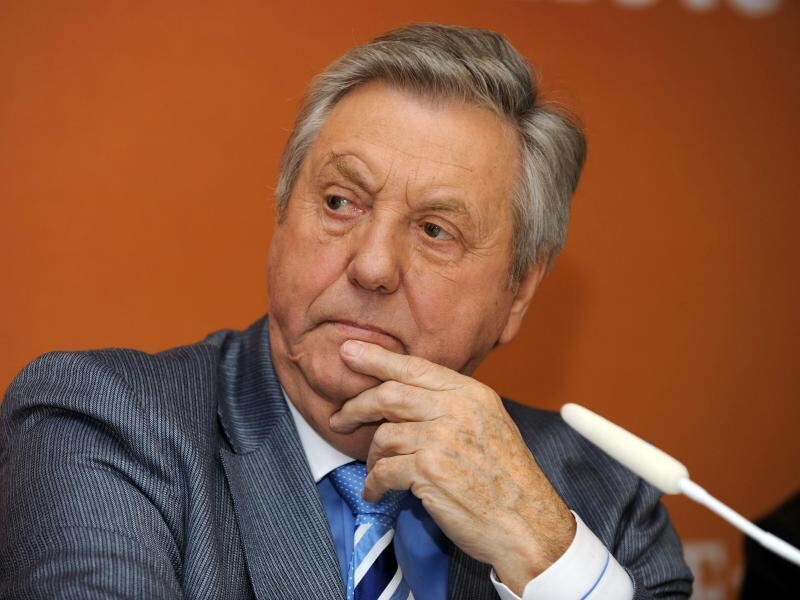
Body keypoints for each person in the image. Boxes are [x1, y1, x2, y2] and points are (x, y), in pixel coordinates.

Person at [0, 23, 692, 599]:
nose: (372, 266)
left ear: (519, 293)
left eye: (435, 230)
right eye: (340, 202)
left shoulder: (602, 500)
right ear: (282, 217)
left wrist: (541, 553)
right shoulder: (105, 423)